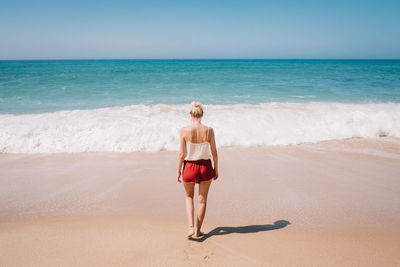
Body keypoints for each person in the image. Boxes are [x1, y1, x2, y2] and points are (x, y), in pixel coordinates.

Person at [177, 101, 219, 238]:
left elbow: (182, 154)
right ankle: (198, 231)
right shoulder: (209, 130)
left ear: (190, 114)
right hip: (206, 166)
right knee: (202, 201)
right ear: (202, 114)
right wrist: (216, 169)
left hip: (189, 166)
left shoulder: (184, 130)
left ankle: (190, 227)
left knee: (189, 196)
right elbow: (214, 153)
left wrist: (178, 170)